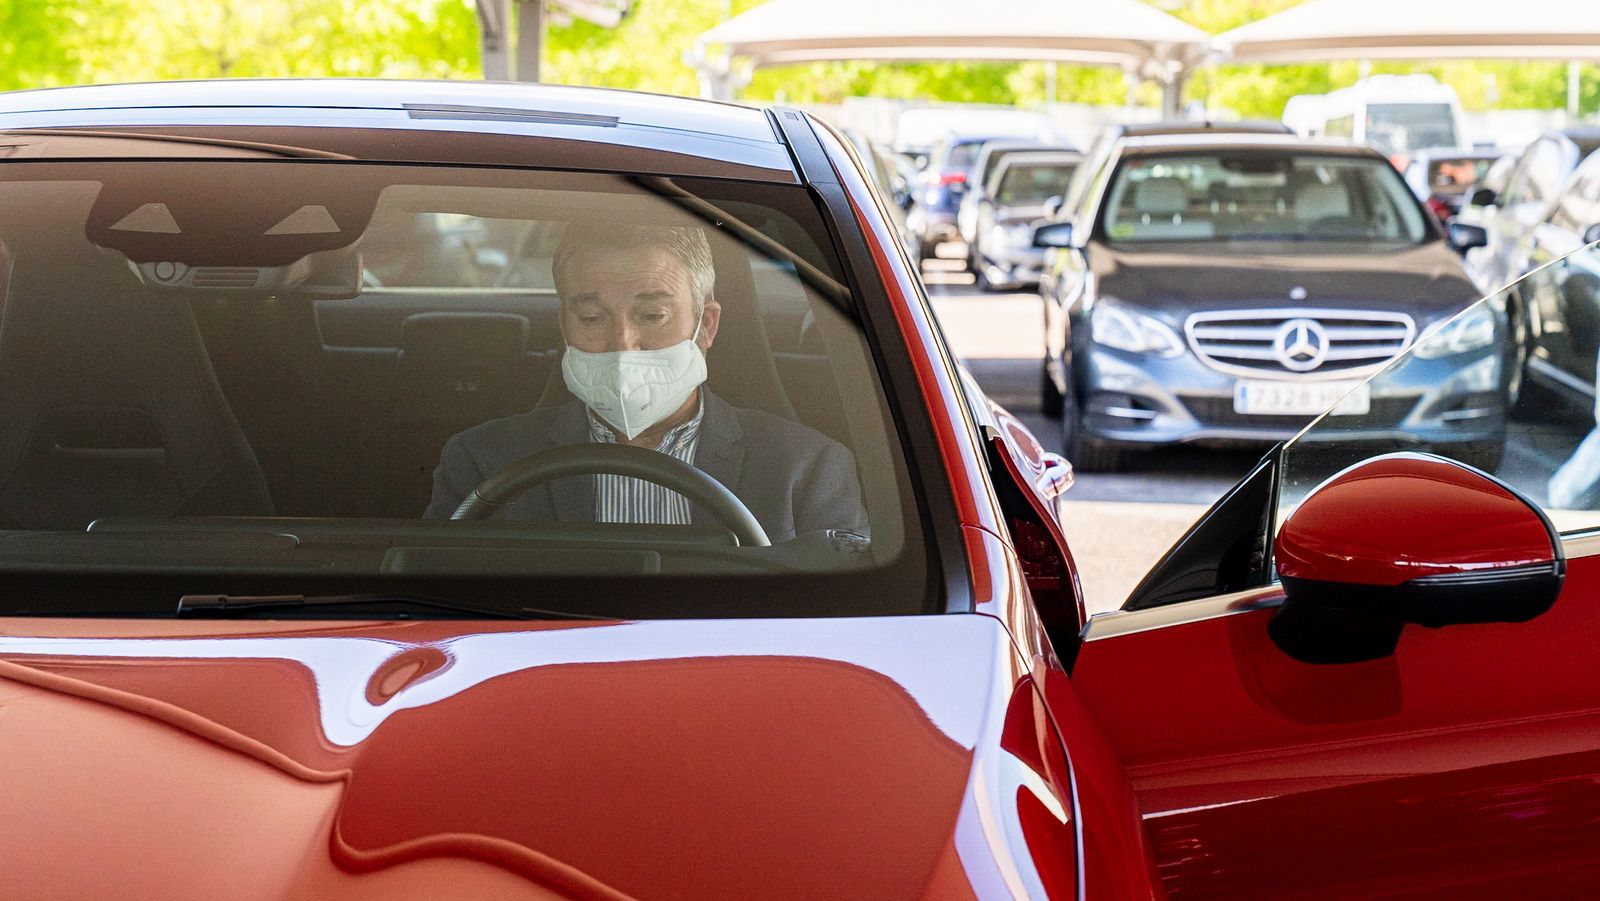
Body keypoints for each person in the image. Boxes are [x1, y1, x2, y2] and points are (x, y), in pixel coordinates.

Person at [424, 222, 867, 542]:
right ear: (563, 327)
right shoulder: (483, 462)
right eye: (592, 318)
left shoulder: (809, 470)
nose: (623, 345)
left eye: (652, 316)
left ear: (706, 326)